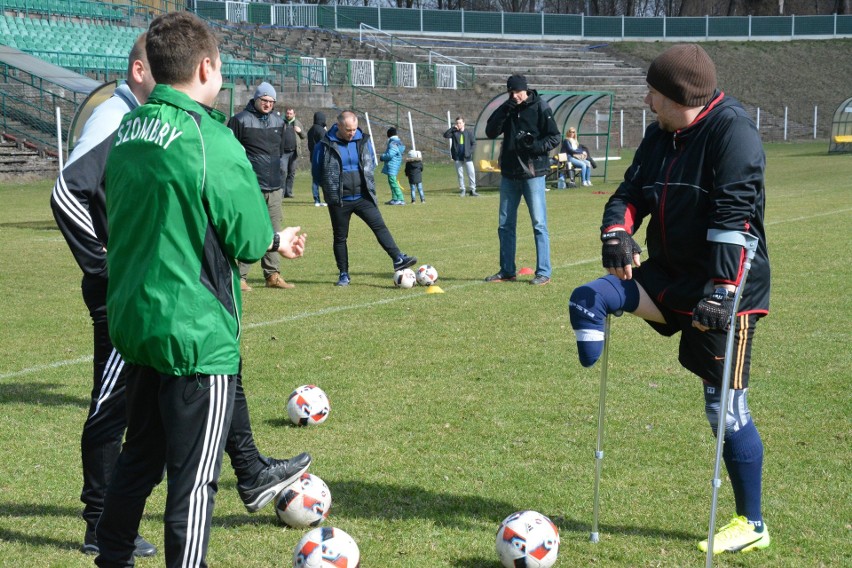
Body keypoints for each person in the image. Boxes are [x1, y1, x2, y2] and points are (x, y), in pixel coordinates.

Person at [51, 34, 310, 560]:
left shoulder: (129, 128)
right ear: (208, 67)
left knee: (140, 457)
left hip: (139, 323)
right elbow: (246, 234)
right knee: (194, 483)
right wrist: (271, 238)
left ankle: (111, 554)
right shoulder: (208, 139)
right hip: (194, 333)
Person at [567, 44, 771, 555]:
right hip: (668, 276)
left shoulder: (734, 134)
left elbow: (735, 220)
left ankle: (753, 523)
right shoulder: (662, 134)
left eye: (654, 92)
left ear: (679, 96)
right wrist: (617, 229)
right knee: (590, 295)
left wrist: (723, 291)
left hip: (726, 290)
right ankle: (594, 314)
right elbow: (629, 192)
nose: (646, 99)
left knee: (724, 413)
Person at [312, 110, 417, 287]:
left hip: (363, 196)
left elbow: (370, 162)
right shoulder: (324, 144)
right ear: (338, 126)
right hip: (339, 200)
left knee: (380, 226)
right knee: (340, 237)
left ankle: (398, 258)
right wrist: (329, 189)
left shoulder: (363, 140)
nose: (351, 133)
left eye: (353, 129)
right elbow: (316, 170)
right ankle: (343, 274)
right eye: (347, 129)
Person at [484, 74, 560, 286]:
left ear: (525, 90)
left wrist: (534, 146)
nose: (515, 96)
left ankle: (543, 271)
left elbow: (555, 137)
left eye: (517, 92)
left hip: (533, 174)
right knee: (505, 225)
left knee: (539, 223)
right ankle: (507, 270)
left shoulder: (540, 107)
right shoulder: (508, 107)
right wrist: (505, 108)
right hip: (509, 174)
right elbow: (491, 131)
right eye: (511, 92)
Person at [228, 81, 295, 290]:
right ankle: (240, 277)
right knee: (248, 230)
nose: (267, 104)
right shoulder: (239, 120)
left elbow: (286, 148)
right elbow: (229, 151)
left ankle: (272, 275)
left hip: (275, 185)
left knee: (274, 231)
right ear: (255, 99)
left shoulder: (278, 121)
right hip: (249, 186)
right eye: (264, 100)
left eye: (271, 101)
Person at [443, 116, 478, 197]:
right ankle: (462, 190)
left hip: (467, 157)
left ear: (464, 123)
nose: (459, 124)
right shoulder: (454, 132)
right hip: (458, 157)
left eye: (460, 123)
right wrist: (452, 128)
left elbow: (474, 144)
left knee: (471, 173)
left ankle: (473, 190)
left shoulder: (469, 132)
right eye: (457, 123)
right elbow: (445, 135)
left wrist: (469, 152)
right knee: (460, 175)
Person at [282, 106, 305, 198]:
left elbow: (304, 136)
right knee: (283, 172)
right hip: (283, 152)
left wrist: (300, 131)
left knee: (291, 173)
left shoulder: (298, 123)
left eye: (290, 113)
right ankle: (282, 192)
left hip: (294, 152)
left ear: (294, 114)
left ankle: (289, 192)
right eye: (287, 113)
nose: (288, 115)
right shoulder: (281, 122)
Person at [380, 126, 406, 205]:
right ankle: (395, 198)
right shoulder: (398, 142)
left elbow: (390, 154)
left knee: (393, 182)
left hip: (392, 164)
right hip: (395, 164)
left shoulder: (392, 143)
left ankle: (400, 199)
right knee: (391, 182)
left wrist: (382, 157)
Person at [306, 111, 328, 207]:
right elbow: (326, 143)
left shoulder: (310, 130)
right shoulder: (321, 131)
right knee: (325, 178)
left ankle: (316, 200)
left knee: (315, 179)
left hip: (313, 155)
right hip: (321, 156)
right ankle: (327, 198)